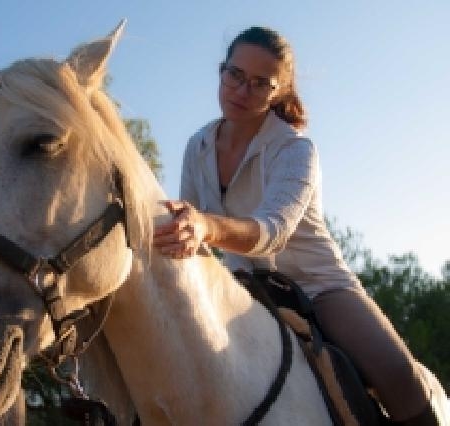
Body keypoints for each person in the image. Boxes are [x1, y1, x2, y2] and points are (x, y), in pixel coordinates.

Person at [153, 26, 440, 425]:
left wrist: (204, 226)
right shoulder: (196, 145)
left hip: (320, 287)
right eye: (235, 75)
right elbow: (190, 232)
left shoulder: (296, 148)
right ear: (221, 71)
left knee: (399, 376)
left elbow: (274, 233)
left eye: (259, 84)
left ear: (279, 92)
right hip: (241, 291)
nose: (241, 91)